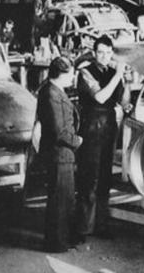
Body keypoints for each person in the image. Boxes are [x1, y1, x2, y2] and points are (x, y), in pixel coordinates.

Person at [75, 35, 128, 238]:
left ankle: (101, 225)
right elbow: (100, 97)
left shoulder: (115, 72)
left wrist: (125, 81)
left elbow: (122, 101)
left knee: (105, 178)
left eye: (108, 53)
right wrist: (118, 76)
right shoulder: (85, 73)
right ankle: (83, 227)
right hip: (91, 127)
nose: (105, 56)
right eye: (101, 52)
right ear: (94, 53)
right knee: (89, 177)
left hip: (108, 127)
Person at [36, 57, 83, 252]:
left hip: (62, 154)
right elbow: (58, 131)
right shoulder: (51, 94)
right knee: (59, 201)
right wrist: (77, 141)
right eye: (71, 73)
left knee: (64, 199)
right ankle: (56, 243)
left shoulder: (54, 91)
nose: (73, 77)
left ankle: (61, 240)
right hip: (59, 153)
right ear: (62, 74)